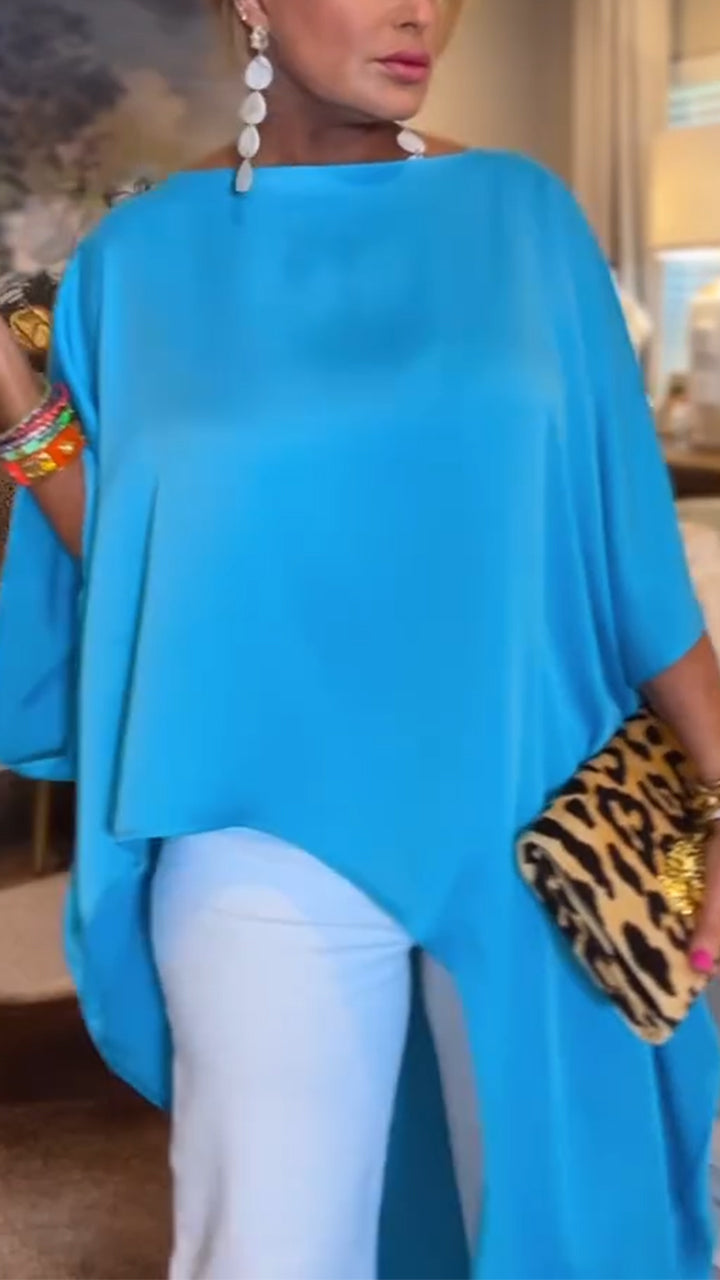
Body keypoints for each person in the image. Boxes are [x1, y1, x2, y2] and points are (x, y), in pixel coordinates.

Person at [0, 1, 719, 1276]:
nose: (419, 10)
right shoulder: (139, 258)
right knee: (266, 1248)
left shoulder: (525, 220)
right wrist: (14, 395)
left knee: (569, 1236)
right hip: (257, 827)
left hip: (535, 814)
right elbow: (139, 556)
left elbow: (634, 554)